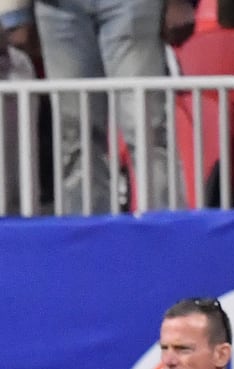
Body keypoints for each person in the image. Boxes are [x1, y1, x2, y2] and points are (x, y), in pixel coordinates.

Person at [28, 0, 181, 214]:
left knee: (145, 127)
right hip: (58, 7)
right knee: (75, 134)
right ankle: (87, 236)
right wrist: (15, 13)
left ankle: (168, 232)